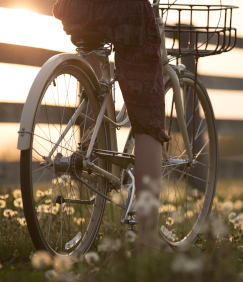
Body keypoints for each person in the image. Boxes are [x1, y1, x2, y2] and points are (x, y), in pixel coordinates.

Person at [53, 0, 171, 249]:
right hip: (124, 10)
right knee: (148, 118)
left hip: (77, 7)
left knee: (93, 90)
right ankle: (147, 238)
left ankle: (94, 148)